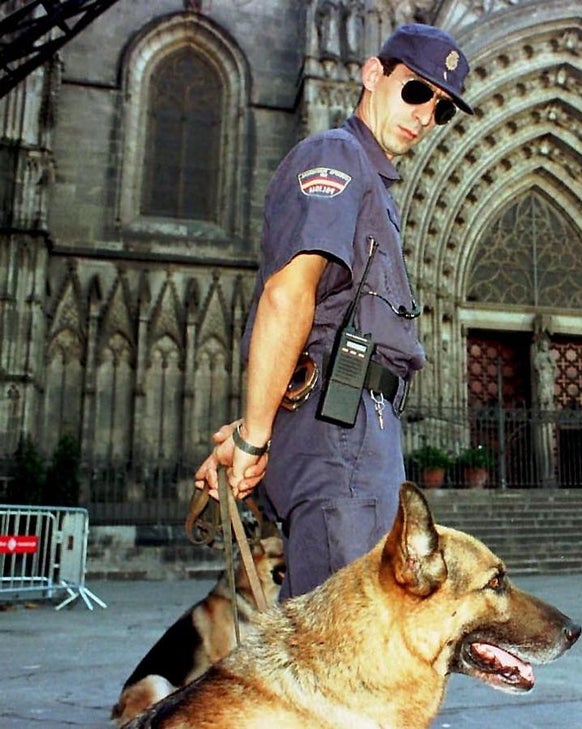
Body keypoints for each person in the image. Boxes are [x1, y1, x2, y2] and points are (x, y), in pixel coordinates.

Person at [193, 24, 473, 600]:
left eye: (441, 110)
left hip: (352, 428)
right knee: (344, 651)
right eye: (416, 92)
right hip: (343, 435)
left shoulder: (371, 182)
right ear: (373, 74)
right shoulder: (336, 156)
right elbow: (288, 294)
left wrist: (258, 428)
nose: (424, 116)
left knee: (354, 637)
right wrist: (255, 438)